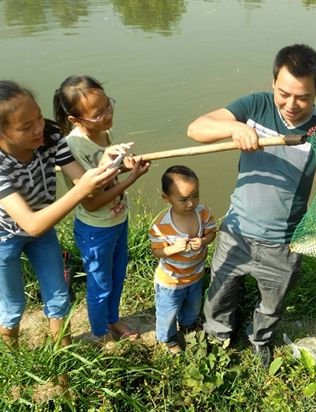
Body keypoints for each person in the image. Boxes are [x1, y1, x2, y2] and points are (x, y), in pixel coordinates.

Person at [187, 44, 316, 367]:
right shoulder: (255, 106)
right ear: (273, 84)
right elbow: (196, 129)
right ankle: (217, 335)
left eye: (303, 97)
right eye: (284, 94)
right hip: (236, 230)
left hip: (283, 241)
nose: (292, 105)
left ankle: (260, 338)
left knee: (272, 303)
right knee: (221, 292)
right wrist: (236, 128)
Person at [0, 80, 120, 348]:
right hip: (5, 235)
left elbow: (83, 183)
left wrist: (108, 165)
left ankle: (63, 366)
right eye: (26, 127)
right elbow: (31, 224)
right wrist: (84, 188)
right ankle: (15, 366)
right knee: (12, 308)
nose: (38, 128)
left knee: (58, 299)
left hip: (44, 229)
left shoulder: (51, 138)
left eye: (38, 118)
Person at [54, 75, 150, 343]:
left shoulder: (103, 132)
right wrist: (130, 179)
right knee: (100, 284)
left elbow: (110, 172)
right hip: (96, 228)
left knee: (117, 275)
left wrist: (123, 165)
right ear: (75, 119)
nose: (107, 115)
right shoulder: (72, 147)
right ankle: (99, 333)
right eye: (98, 114)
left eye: (109, 105)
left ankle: (113, 319)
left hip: (117, 219)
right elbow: (92, 200)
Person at [148, 166, 217, 354]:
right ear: (166, 198)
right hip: (171, 280)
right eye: (183, 199)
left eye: (195, 196)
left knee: (193, 305)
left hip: (195, 274)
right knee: (168, 312)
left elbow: (212, 233)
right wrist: (172, 249)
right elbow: (156, 251)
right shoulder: (161, 225)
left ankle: (188, 325)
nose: (191, 203)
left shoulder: (203, 212)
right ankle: (168, 338)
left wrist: (203, 241)